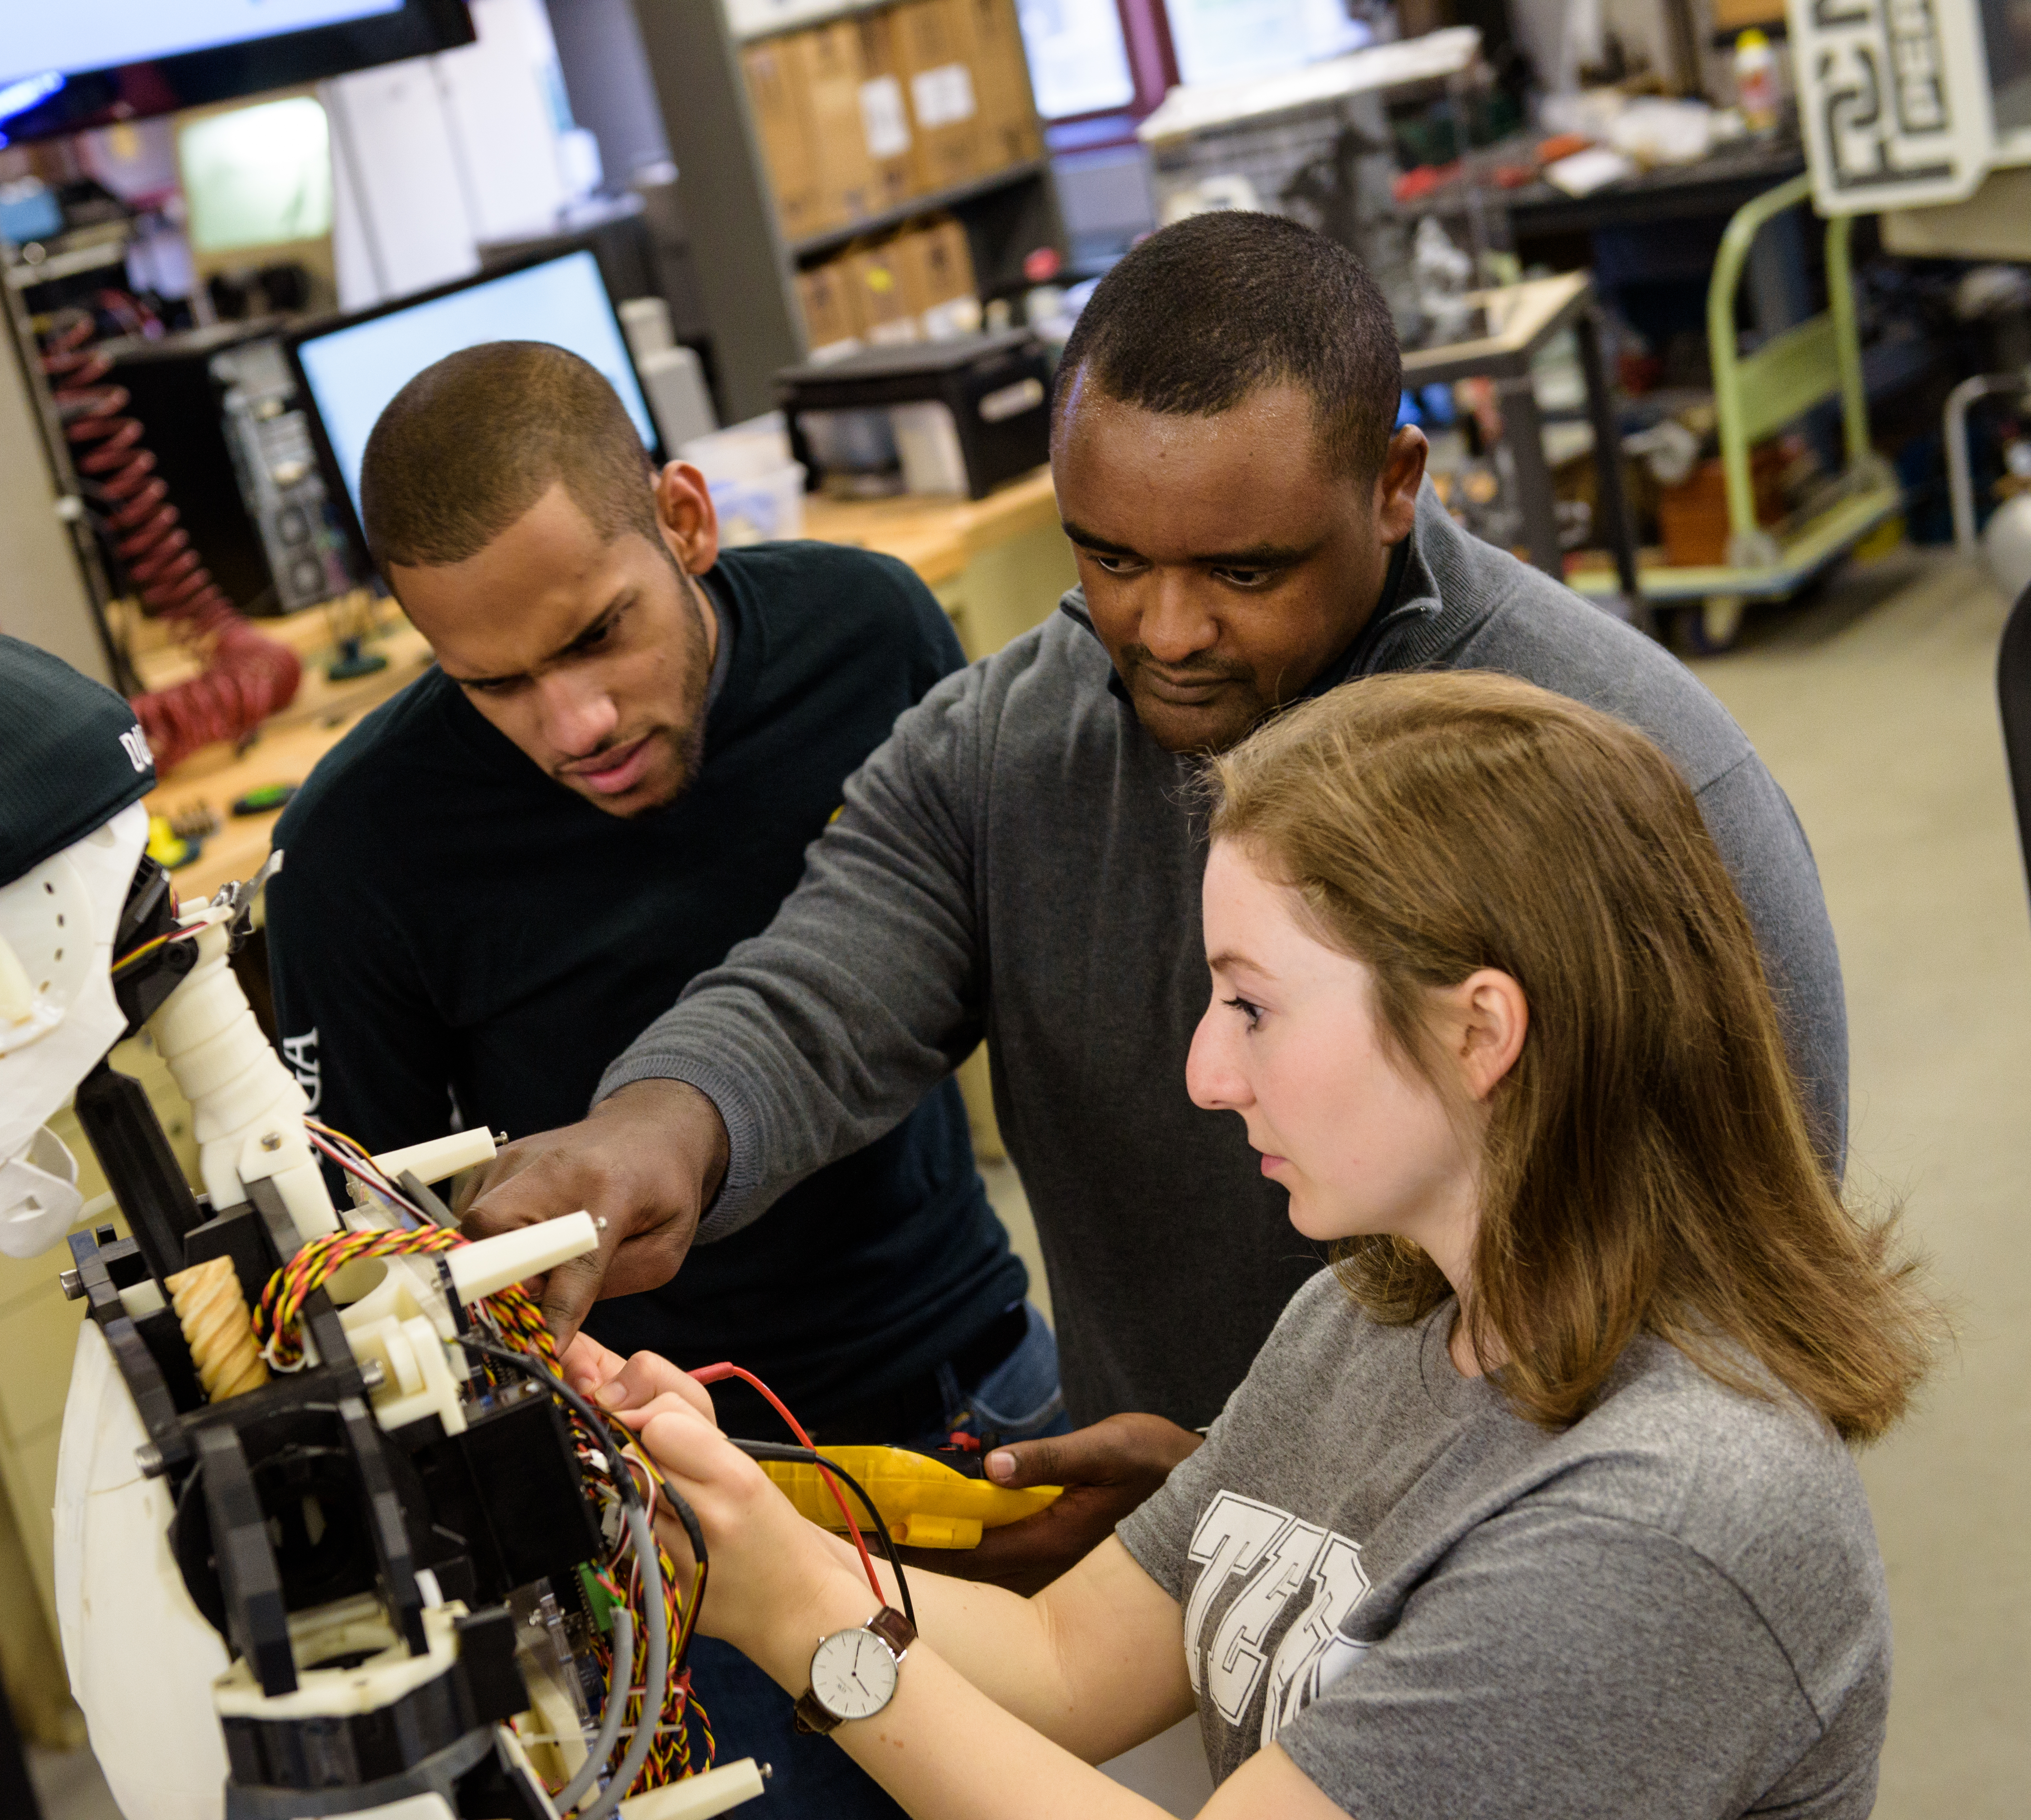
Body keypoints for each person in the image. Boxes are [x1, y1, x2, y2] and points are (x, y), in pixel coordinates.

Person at [464, 211, 1851, 1589]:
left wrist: (1262, 1490)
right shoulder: (1010, 747)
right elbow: (827, 981)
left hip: (1531, 1576)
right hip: (1191, 1562)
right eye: (1112, 558)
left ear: (1392, 482)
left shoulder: (1629, 773)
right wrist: (655, 1134)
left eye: (1244, 572)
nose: (1167, 631)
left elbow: (1740, 1283)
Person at [574, 672, 1936, 1820]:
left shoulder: (1663, 1523)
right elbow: (1064, 1658)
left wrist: (811, 1634)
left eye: (1252, 1005)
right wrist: (738, 1529)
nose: (1205, 1072)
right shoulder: (1375, 1318)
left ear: (1479, 1033)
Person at [264, 341, 1057, 1819]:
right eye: (492, 684)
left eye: (598, 637)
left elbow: (974, 964)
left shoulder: (867, 637)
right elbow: (374, 1258)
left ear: (685, 520)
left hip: (976, 1394)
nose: (574, 726)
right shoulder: (361, 853)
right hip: (675, 1509)